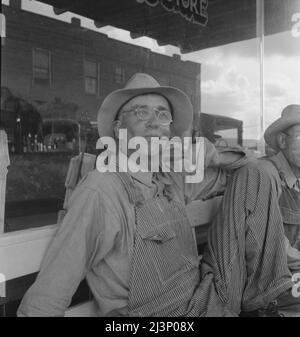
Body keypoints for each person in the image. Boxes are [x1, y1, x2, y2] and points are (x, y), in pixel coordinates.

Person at [17, 73, 249, 317]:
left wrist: (211, 156)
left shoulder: (170, 177)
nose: (154, 123)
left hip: (201, 302)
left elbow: (246, 171)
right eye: (141, 112)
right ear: (119, 129)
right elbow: (49, 294)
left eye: (162, 115)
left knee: (260, 173)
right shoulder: (102, 189)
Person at [201, 104, 300, 317]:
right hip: (259, 291)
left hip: (278, 280)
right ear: (282, 141)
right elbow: (267, 246)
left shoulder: (293, 180)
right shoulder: (262, 173)